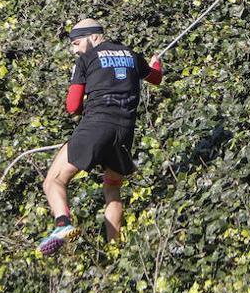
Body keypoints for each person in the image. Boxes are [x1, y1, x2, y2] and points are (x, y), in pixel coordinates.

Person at [37, 18, 163, 257]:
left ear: (93, 36)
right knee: (112, 189)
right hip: (124, 132)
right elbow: (155, 78)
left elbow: (73, 106)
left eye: (76, 43)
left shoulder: (86, 60)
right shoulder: (132, 55)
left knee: (53, 181)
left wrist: (89, 116)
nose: (74, 50)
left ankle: (63, 225)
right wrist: (156, 64)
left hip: (95, 126)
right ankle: (115, 250)